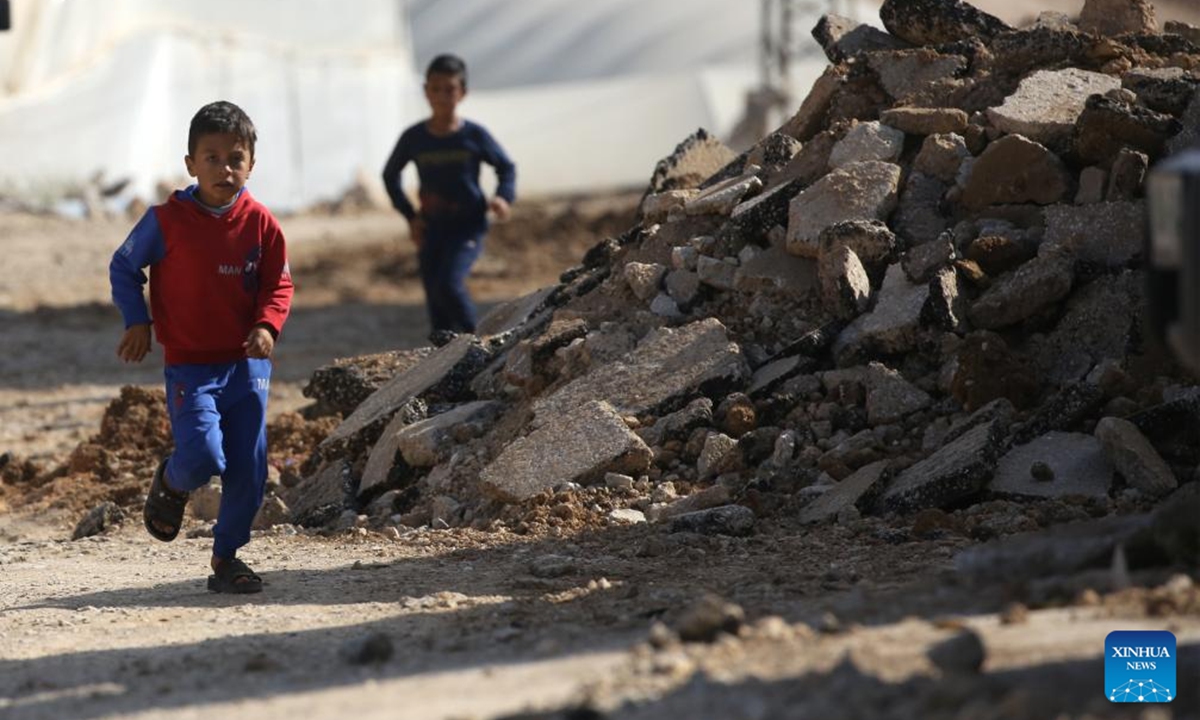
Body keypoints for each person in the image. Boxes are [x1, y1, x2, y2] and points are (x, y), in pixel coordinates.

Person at [109, 100, 294, 594]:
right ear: (191, 164)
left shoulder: (262, 224)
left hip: (248, 367)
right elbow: (123, 266)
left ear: (251, 165)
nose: (224, 169)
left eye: (235, 159)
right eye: (212, 158)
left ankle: (226, 557)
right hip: (191, 367)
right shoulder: (166, 220)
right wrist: (137, 320)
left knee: (249, 467)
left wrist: (267, 326)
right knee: (203, 455)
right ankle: (171, 482)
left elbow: (278, 285)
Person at [382, 53, 516, 341]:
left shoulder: (474, 135)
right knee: (435, 297)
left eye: (450, 89)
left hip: (468, 225)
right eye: (436, 88)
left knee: (449, 284)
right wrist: (410, 216)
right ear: (426, 91)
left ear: (463, 93)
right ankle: (443, 355)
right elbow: (390, 176)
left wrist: (503, 197)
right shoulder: (414, 138)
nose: (442, 96)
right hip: (431, 228)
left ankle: (476, 343)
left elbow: (506, 167)